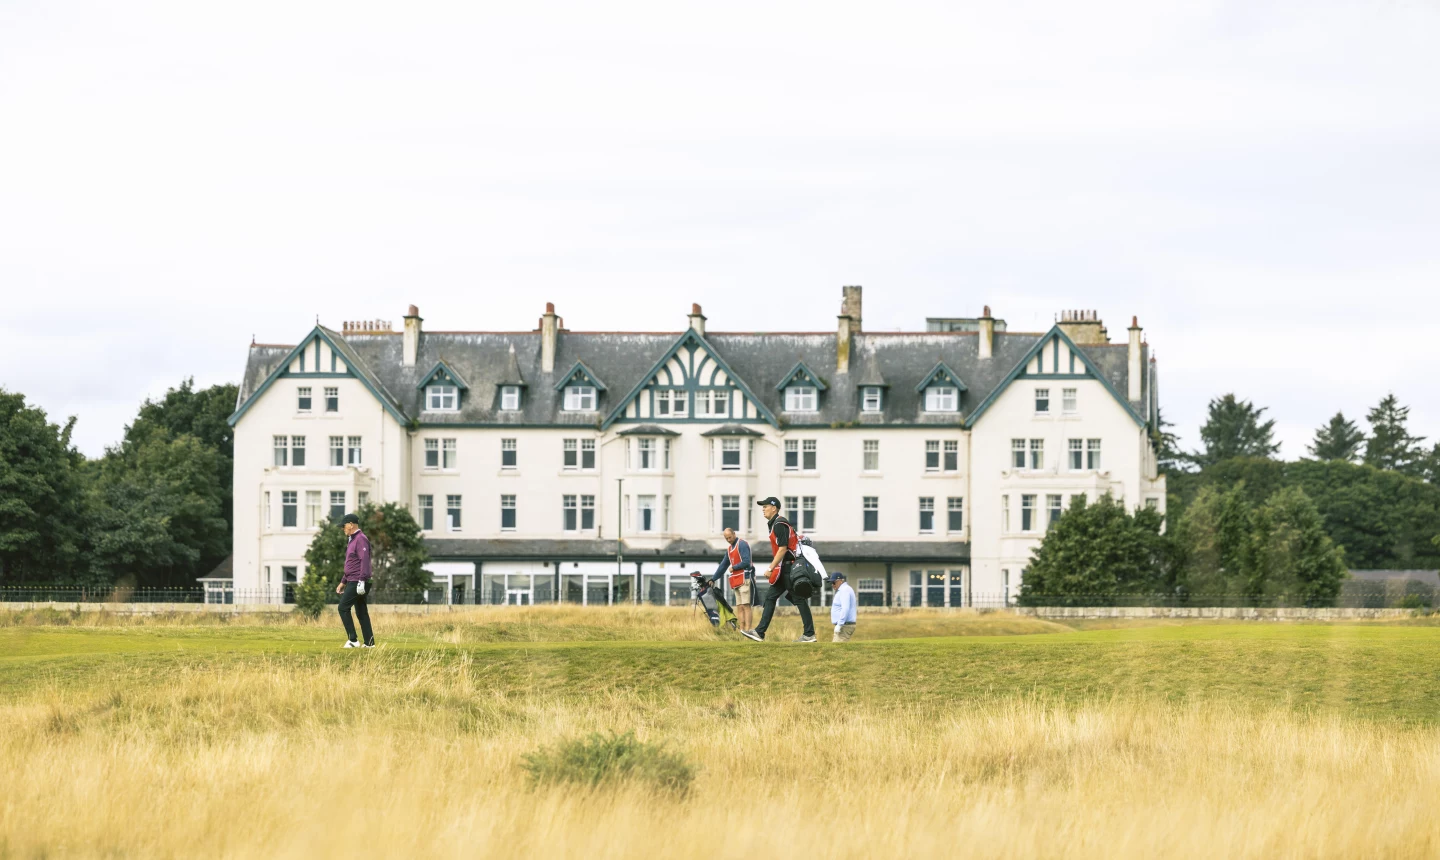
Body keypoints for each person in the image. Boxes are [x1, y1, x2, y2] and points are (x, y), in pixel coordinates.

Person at [741, 497, 816, 643]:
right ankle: (760, 632)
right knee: (772, 598)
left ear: (774, 508)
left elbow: (782, 549)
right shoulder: (776, 523)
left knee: (798, 600)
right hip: (785, 568)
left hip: (788, 568)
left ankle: (809, 634)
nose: (763, 509)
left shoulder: (779, 524)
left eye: (765, 506)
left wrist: (770, 568)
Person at [334, 513, 375, 648]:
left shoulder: (360, 539)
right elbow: (352, 564)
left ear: (351, 525)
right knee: (361, 611)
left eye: (344, 526)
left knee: (343, 608)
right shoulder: (352, 540)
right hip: (354, 580)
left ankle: (353, 640)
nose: (342, 529)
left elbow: (364, 561)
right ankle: (369, 643)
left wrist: (362, 580)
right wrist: (343, 582)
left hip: (358, 580)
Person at [710, 527, 755, 632]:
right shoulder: (729, 549)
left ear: (734, 534)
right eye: (726, 538)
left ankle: (748, 630)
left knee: (746, 605)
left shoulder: (742, 544)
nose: (729, 540)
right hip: (736, 580)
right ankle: (742, 630)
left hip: (745, 578)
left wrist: (734, 567)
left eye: (730, 537)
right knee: (739, 606)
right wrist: (713, 578)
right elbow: (723, 565)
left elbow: (747, 561)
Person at [829, 572, 857, 642]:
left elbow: (845, 608)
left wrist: (840, 624)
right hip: (844, 625)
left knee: (837, 648)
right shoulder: (843, 589)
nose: (832, 585)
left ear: (840, 581)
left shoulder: (844, 590)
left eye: (834, 582)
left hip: (844, 626)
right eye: (831, 583)